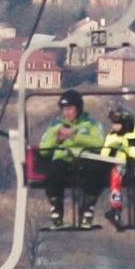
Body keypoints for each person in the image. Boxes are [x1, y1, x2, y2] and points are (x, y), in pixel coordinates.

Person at [36, 89, 106, 229]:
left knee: (95, 170)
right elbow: (43, 148)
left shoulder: (91, 124)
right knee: (54, 172)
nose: (66, 113)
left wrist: (74, 136)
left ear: (78, 108)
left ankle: (88, 208)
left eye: (70, 109)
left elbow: (99, 143)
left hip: (85, 158)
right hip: (64, 158)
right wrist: (57, 137)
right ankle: (57, 209)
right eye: (64, 109)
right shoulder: (56, 125)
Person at [99, 105, 135, 229]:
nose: (113, 126)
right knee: (115, 175)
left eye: (116, 124)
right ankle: (116, 209)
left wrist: (127, 150)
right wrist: (111, 150)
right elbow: (103, 155)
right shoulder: (112, 136)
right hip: (120, 164)